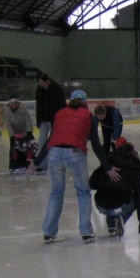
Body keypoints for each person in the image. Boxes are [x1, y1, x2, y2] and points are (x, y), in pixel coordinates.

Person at [29, 89, 119, 244]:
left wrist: (36, 162)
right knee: (83, 192)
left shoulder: (60, 113)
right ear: (85, 102)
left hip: (55, 154)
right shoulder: (88, 116)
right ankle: (86, 232)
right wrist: (108, 167)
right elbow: (97, 145)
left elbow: (50, 140)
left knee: (56, 193)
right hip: (75, 153)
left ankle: (49, 232)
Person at [89, 137, 140, 238]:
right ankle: (122, 217)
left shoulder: (107, 162)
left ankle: (112, 226)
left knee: (109, 193)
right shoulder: (134, 166)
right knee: (133, 198)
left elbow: (91, 184)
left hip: (102, 206)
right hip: (120, 206)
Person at [34, 73, 66, 169]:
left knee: (56, 142)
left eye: (41, 83)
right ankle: (43, 163)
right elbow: (38, 106)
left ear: (47, 81)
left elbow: (62, 105)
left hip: (55, 120)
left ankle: (58, 162)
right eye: (39, 83)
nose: (40, 85)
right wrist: (39, 119)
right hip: (43, 120)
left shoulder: (57, 89)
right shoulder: (39, 90)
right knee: (42, 141)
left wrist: (61, 119)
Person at [5, 97, 35, 173]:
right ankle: (14, 166)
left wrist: (29, 131)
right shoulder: (7, 111)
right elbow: (8, 124)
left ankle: (26, 164)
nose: (14, 105)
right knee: (14, 149)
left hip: (24, 131)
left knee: (26, 148)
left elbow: (28, 120)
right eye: (12, 103)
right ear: (10, 104)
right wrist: (12, 135)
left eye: (16, 103)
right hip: (14, 133)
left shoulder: (23, 109)